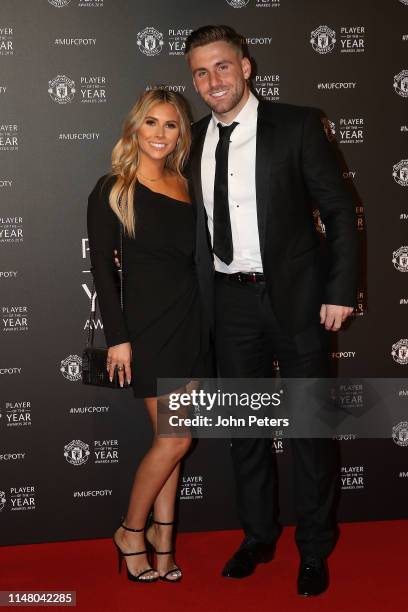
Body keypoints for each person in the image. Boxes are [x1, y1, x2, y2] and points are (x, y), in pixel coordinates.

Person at [184, 25, 358, 596]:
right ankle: (258, 536)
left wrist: (339, 290)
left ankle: (313, 547)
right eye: (201, 73)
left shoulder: (298, 125)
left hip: (300, 301)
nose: (212, 81)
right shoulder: (191, 138)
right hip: (229, 303)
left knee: (309, 428)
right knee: (247, 431)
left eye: (222, 67)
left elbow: (339, 213)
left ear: (246, 66)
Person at [87, 88, 208, 583]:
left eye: (171, 125)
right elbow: (100, 267)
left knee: (171, 440)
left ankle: (164, 535)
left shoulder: (189, 184)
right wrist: (118, 338)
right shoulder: (113, 188)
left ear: (182, 133)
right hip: (147, 325)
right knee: (177, 438)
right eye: (152, 123)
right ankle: (130, 532)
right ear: (135, 128)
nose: (160, 134)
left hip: (193, 321)